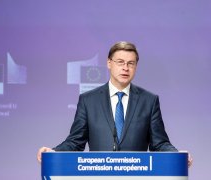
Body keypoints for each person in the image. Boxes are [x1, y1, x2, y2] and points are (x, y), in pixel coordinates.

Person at [37, 41, 192, 167]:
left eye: (131, 63)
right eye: (120, 62)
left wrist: (177, 155)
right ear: (109, 63)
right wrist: (54, 152)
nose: (125, 68)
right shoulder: (88, 100)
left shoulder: (149, 101)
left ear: (136, 67)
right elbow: (75, 141)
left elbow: (159, 143)